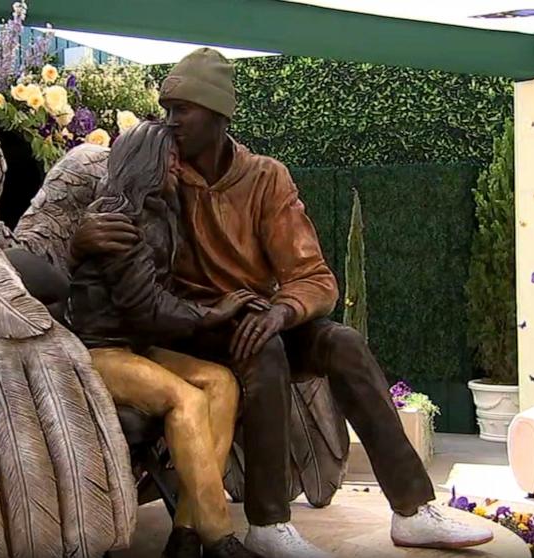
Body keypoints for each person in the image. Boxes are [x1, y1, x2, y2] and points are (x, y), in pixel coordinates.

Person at [70, 48, 495, 558]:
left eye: (183, 109)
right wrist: (81, 239)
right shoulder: (161, 174)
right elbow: (114, 225)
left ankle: (413, 510)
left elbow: (314, 277)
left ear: (218, 114)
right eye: (167, 108)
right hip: (183, 328)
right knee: (263, 350)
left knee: (343, 343)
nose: (171, 121)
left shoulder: (266, 178)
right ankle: (268, 525)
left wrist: (282, 310)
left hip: (251, 318)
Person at [67, 120, 263, 558]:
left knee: (222, 382)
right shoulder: (119, 217)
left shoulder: (157, 212)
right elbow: (147, 306)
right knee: (186, 400)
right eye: (168, 156)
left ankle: (186, 532)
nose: (177, 163)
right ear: (145, 160)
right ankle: (220, 538)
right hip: (98, 351)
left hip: (135, 346)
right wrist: (215, 313)